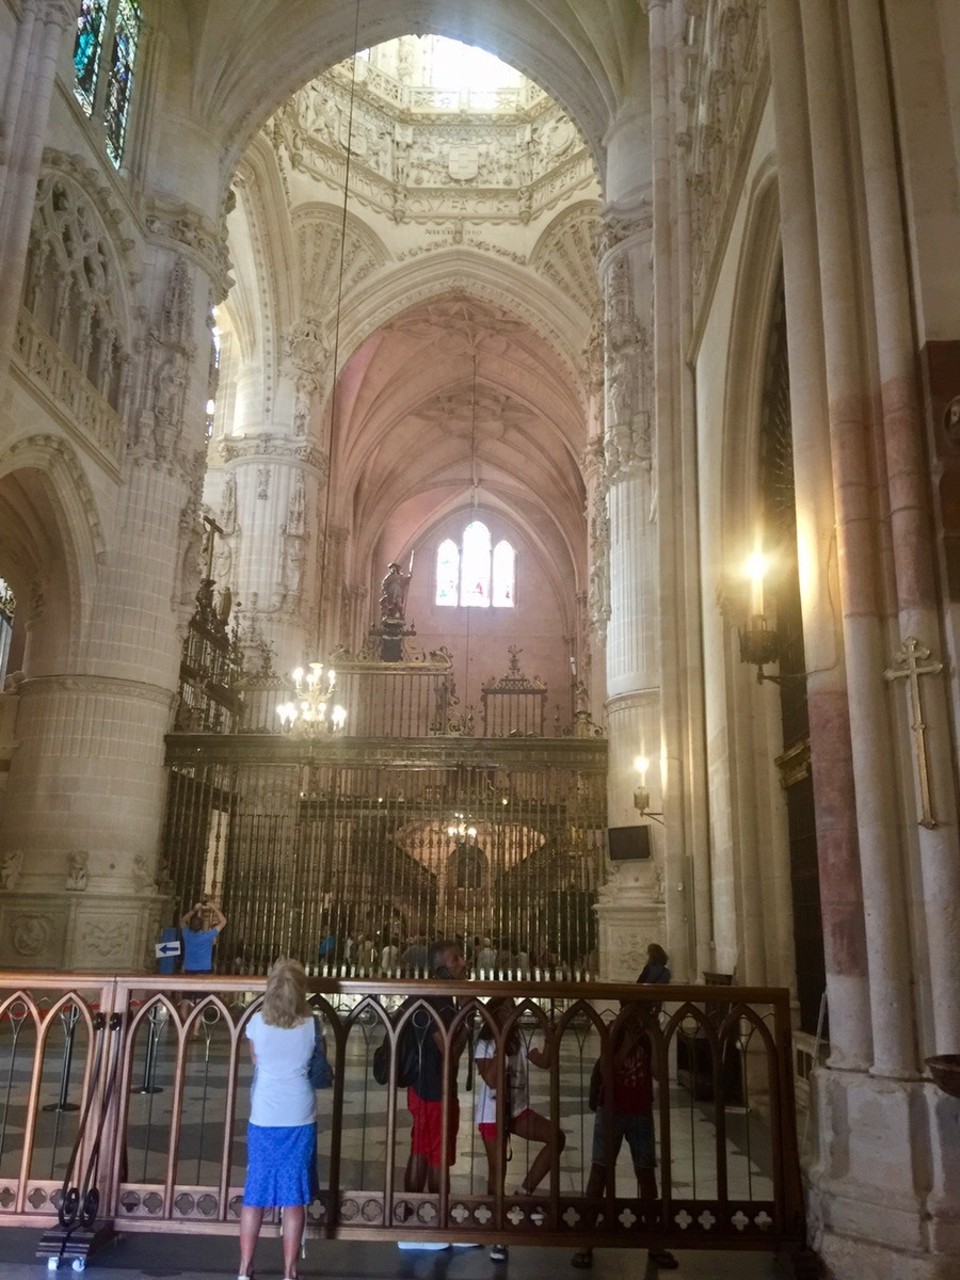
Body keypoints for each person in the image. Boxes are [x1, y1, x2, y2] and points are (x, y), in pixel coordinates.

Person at [572, 1002, 677, 1271]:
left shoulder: (649, 1035)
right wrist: (628, 1042)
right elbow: (608, 1068)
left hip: (640, 1111)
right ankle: (586, 1241)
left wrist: (653, 1039)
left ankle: (653, 1242)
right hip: (612, 1111)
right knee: (600, 1172)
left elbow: (658, 1073)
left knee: (646, 1173)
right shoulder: (614, 1031)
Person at [238, 958, 319, 1280]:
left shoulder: (257, 1023)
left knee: (255, 1191)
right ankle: (290, 1271)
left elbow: (257, 1059)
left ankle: (245, 1268)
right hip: (299, 1113)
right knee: (294, 1195)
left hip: (265, 1113)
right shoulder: (312, 1024)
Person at [475, 996, 565, 1264]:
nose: (514, 1012)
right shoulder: (485, 1044)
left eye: (515, 1007)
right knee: (497, 1169)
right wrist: (501, 1040)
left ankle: (523, 1194)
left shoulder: (520, 1039)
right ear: (495, 1014)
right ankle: (498, 1232)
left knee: (555, 1138)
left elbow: (544, 1060)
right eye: (507, 1009)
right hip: (492, 1112)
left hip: (518, 1110)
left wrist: (550, 1035)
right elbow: (491, 1080)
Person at [178, 898, 227, 1020]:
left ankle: (185, 1026)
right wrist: (213, 907)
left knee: (185, 1000)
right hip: (204, 971)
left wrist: (194, 910)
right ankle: (195, 1031)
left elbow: (182, 921)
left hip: (189, 969)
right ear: (202, 926)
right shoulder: (207, 936)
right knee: (200, 1002)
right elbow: (223, 921)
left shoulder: (187, 934)